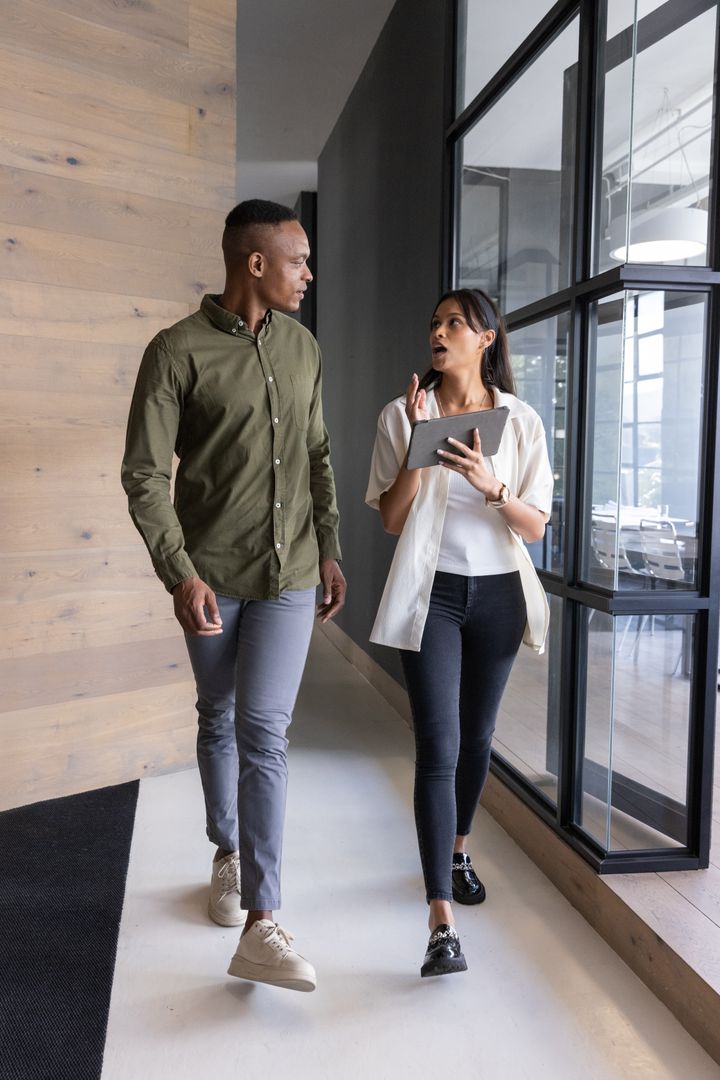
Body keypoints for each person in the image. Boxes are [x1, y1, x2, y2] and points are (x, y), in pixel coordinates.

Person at [121, 199, 345, 993]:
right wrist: (179, 573)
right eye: (298, 261)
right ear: (256, 263)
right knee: (216, 713)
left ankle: (263, 921)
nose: (308, 275)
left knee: (264, 730)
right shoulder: (175, 352)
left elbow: (318, 453)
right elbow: (145, 476)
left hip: (289, 575)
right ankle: (227, 852)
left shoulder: (304, 349)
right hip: (211, 574)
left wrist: (332, 548)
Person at [365, 288, 553, 978]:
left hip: (500, 593)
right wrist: (418, 447)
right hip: (432, 594)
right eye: (434, 322)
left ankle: (457, 847)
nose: (438, 332)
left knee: (477, 738)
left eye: (454, 323)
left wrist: (492, 486)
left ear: (486, 338)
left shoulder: (520, 420)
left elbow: (537, 525)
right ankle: (440, 918)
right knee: (438, 745)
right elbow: (389, 520)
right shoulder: (402, 412)